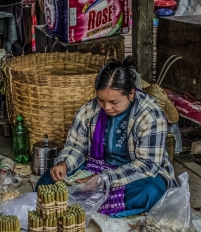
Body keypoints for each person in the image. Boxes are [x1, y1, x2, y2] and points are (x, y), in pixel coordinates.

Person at [36, 56, 177, 218]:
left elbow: (147, 165)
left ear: (131, 94)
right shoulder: (89, 110)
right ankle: (94, 204)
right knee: (46, 183)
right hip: (97, 166)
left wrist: (104, 180)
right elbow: (76, 147)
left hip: (133, 174)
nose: (106, 107)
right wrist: (64, 164)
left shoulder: (150, 115)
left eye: (114, 102)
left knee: (150, 192)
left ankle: (79, 203)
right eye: (101, 100)